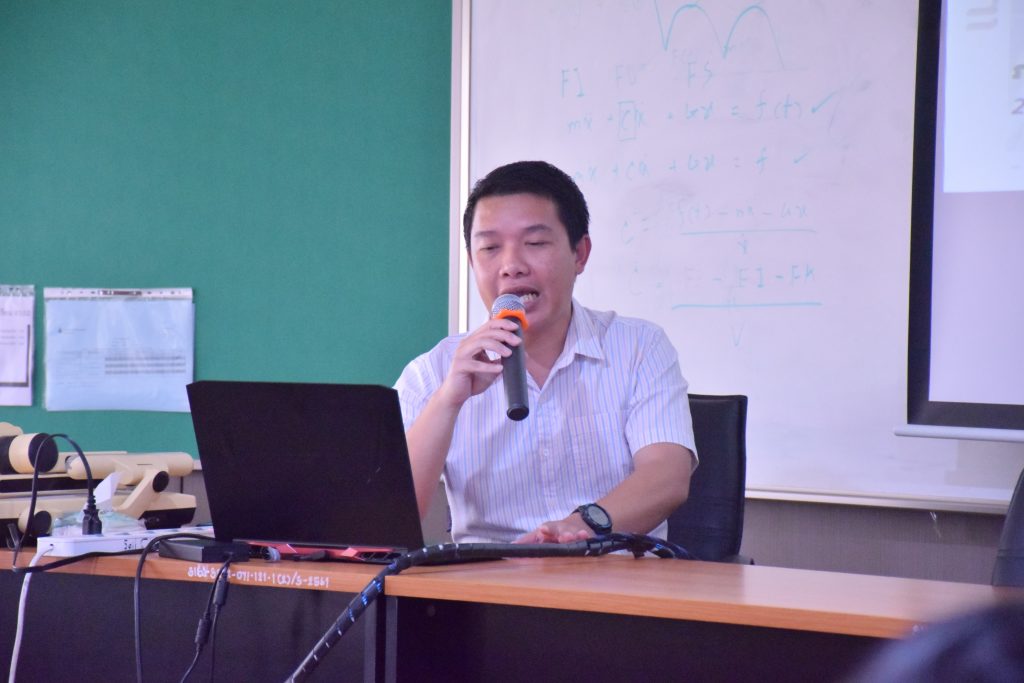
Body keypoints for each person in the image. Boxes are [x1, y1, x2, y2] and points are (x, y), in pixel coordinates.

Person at [394, 160, 696, 544]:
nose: (511, 266)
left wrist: (582, 526)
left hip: (614, 570)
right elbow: (391, 512)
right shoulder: (433, 372)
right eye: (489, 248)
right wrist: (447, 400)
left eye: (535, 243)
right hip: (485, 575)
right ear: (471, 261)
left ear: (580, 254)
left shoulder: (639, 347)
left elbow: (667, 476)